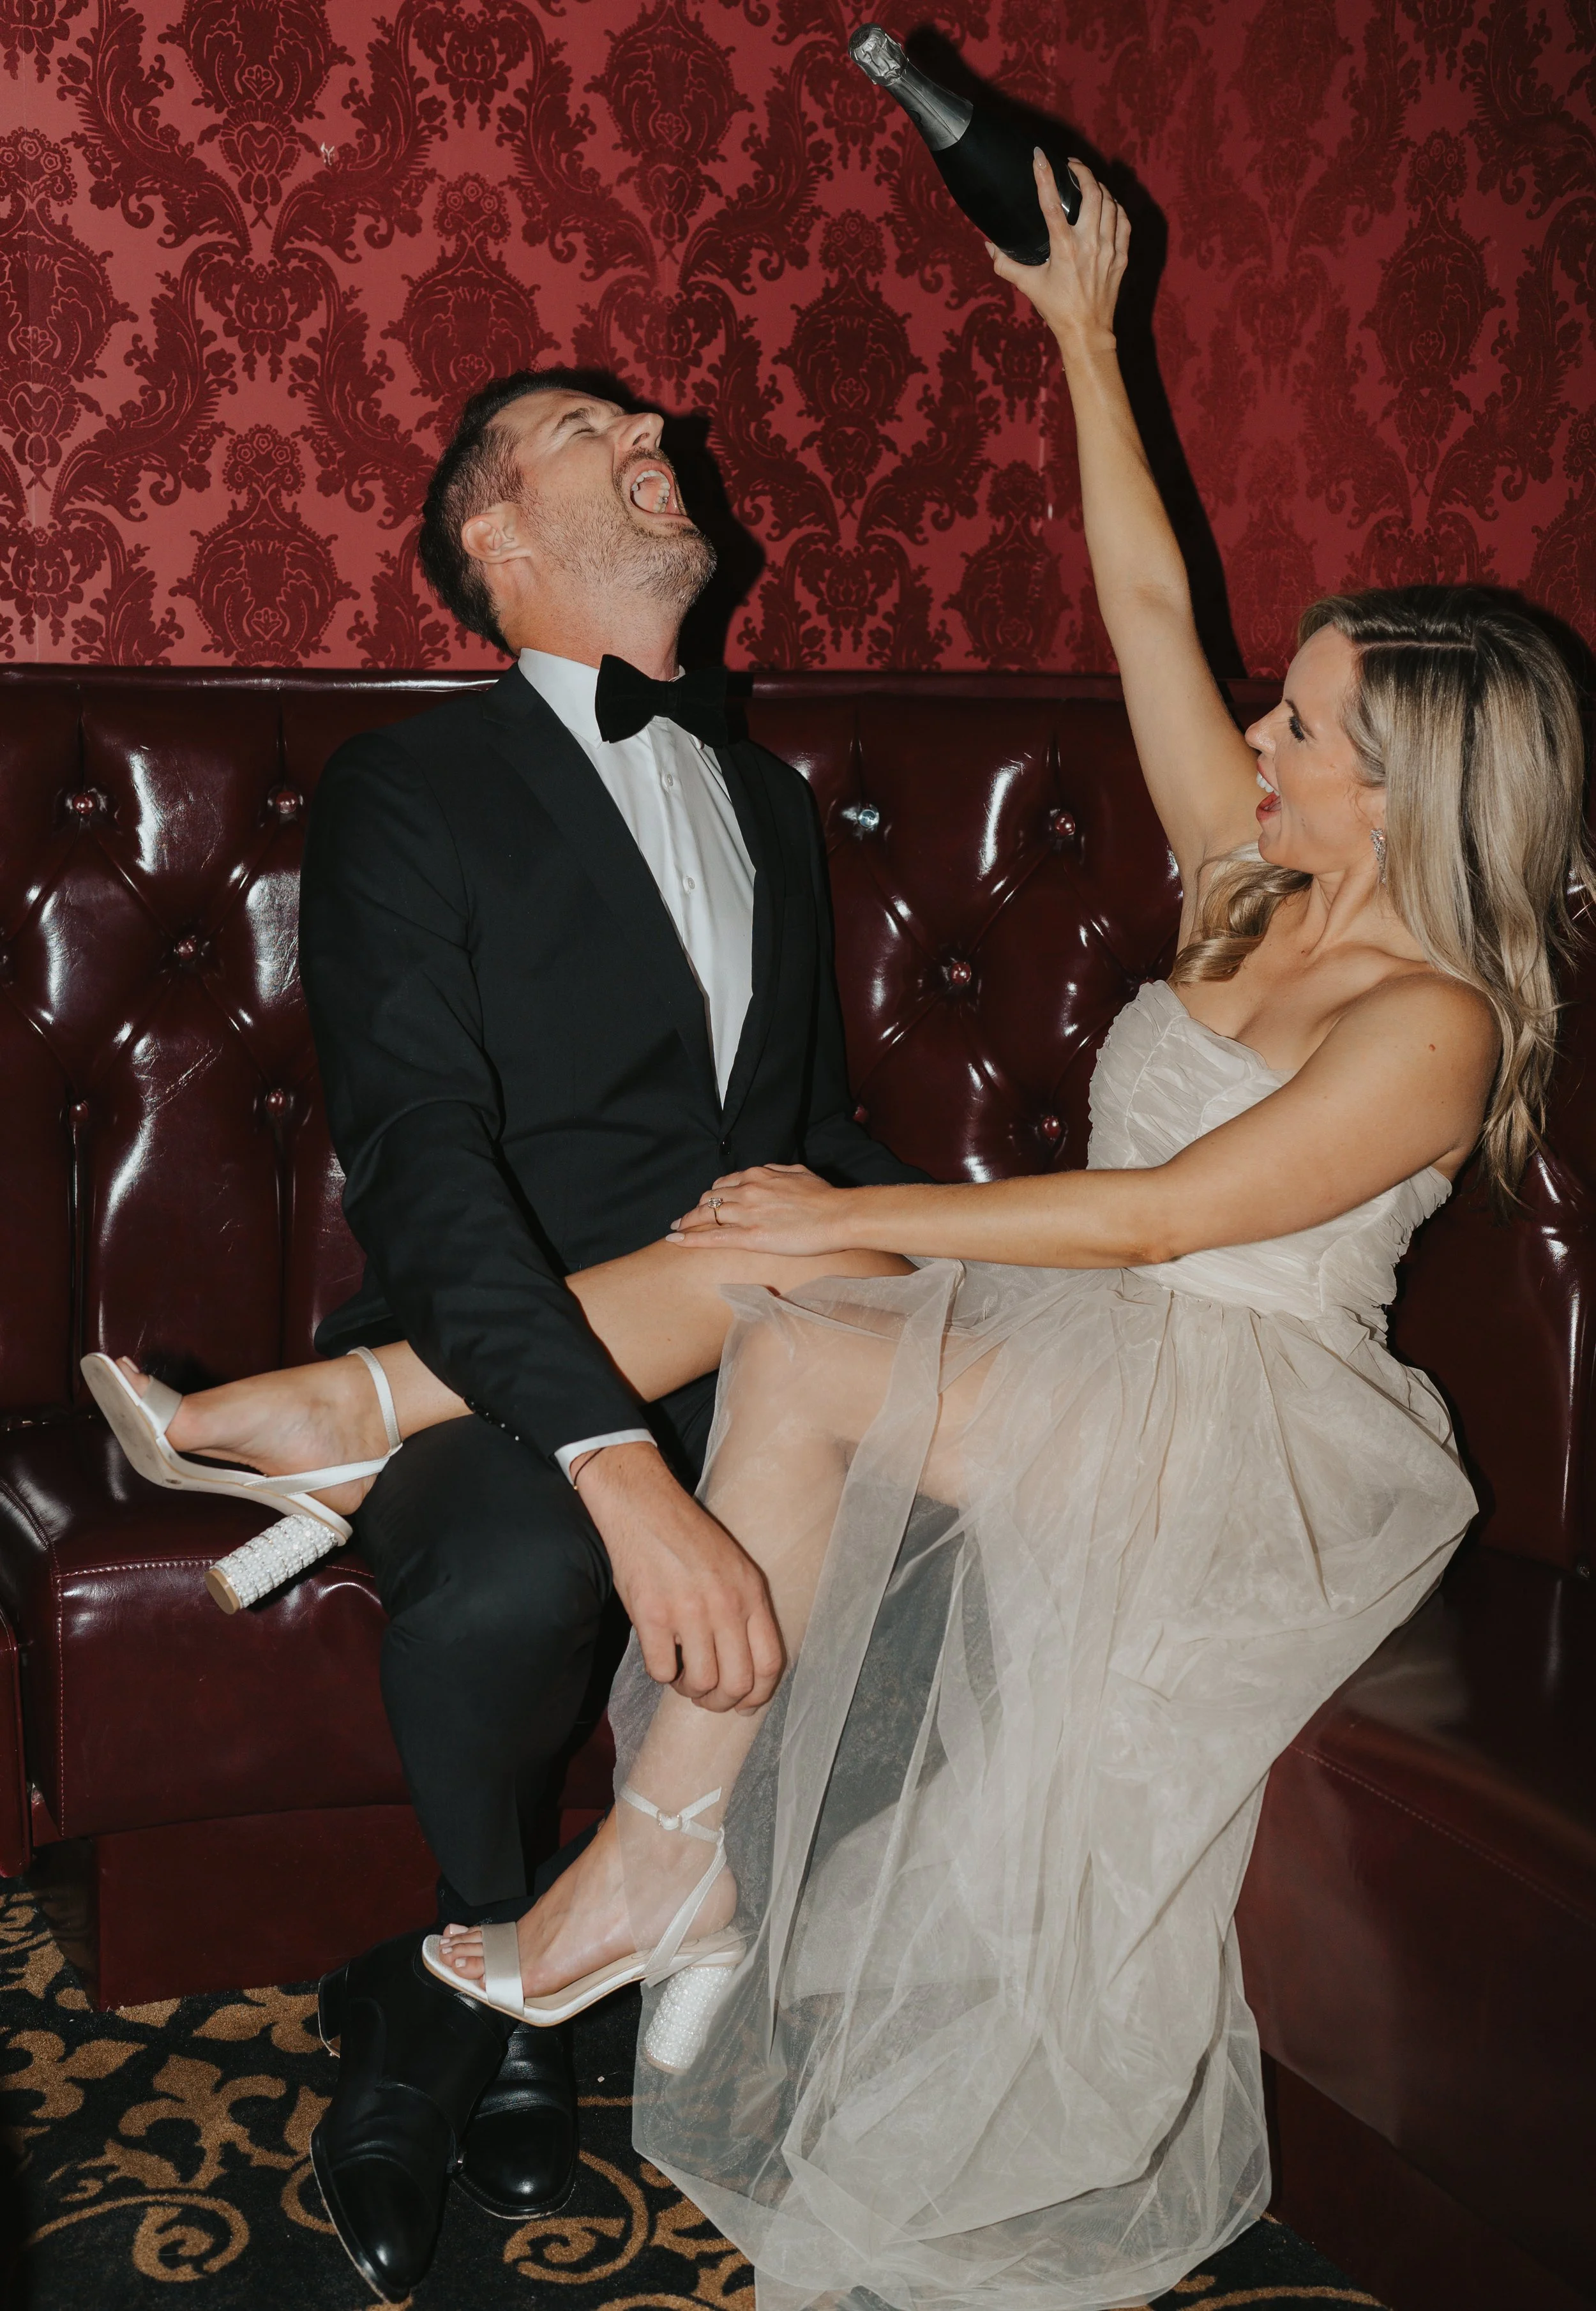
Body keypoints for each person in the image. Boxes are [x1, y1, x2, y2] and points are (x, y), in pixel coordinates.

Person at [109, 158, 1592, 2306]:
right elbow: (1149, 614)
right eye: (1274, 710)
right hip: (1093, 1345)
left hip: (1248, 1421)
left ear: (1411, 787)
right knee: (781, 1293)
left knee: (797, 1301)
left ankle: (616, 1825)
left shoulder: (1430, 1018)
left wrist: (858, 1205)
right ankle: (404, 1479)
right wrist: (1084, 336)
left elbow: (1177, 1209)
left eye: (1305, 725)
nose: (1255, 727)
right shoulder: (1249, 881)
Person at [95, 365, 924, 2300]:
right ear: (492, 531)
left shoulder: (767, 803)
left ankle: (551, 1961)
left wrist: (1002, 1254)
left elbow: (799, 1140)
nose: (664, 437)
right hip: (509, 1330)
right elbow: (423, 1155)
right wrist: (611, 1458)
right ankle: (499, 1970)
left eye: (653, 425)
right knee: (502, 1573)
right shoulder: (408, 785)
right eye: (592, 433)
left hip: (774, 1330)